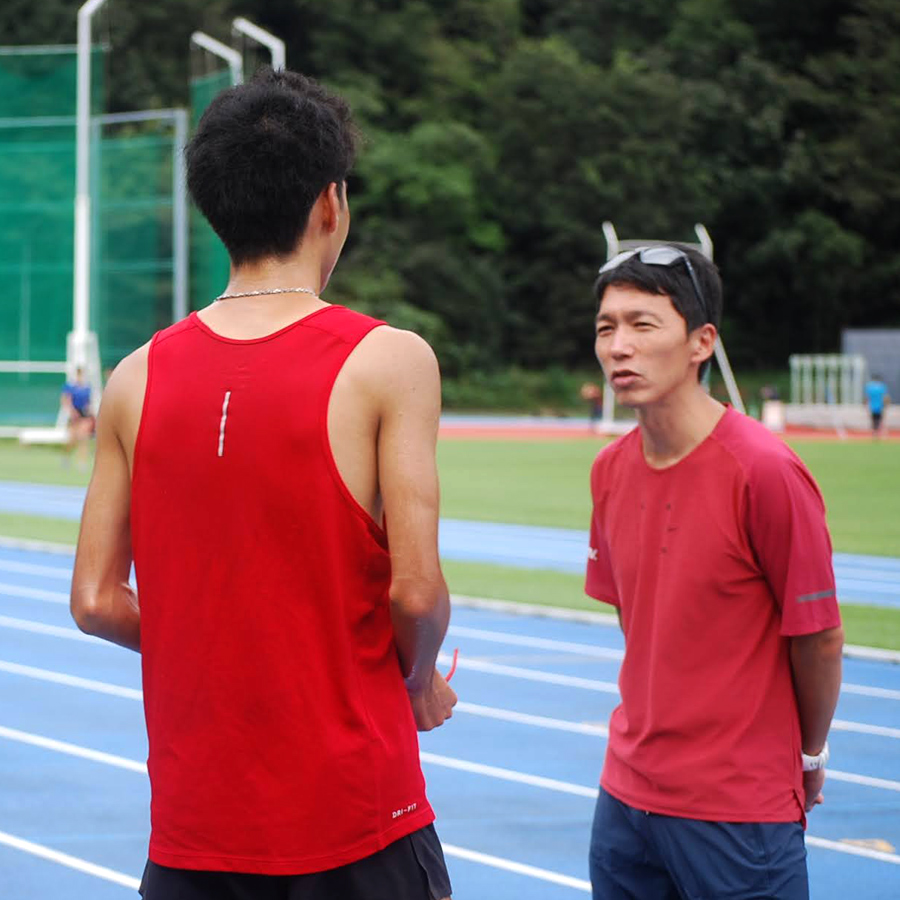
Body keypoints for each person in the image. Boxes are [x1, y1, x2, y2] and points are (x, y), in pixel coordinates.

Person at [70, 68, 456, 900]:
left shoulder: (134, 378)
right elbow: (417, 594)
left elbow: (97, 600)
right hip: (356, 822)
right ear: (331, 205)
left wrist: (225, 642)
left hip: (194, 834)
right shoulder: (389, 360)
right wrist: (417, 681)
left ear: (214, 208)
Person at [584, 244, 844, 900]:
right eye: (606, 327)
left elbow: (818, 636)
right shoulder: (609, 469)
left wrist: (807, 754)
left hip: (736, 811)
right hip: (625, 801)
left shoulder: (765, 472)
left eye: (644, 325)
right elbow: (637, 622)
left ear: (702, 342)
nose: (619, 346)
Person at [60, 366, 94, 468]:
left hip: (84, 415)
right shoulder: (70, 387)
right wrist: (72, 412)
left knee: (84, 438)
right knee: (72, 440)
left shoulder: (87, 388)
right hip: (74, 415)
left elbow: (88, 402)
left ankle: (82, 462)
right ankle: (66, 456)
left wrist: (90, 412)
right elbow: (65, 400)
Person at [864, 373, 890, 438]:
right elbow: (885, 397)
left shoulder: (869, 387)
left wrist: (865, 406)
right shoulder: (882, 387)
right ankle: (879, 433)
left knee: (873, 420)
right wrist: (886, 405)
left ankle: (874, 434)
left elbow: (867, 398)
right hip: (880, 406)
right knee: (880, 420)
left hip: (872, 407)